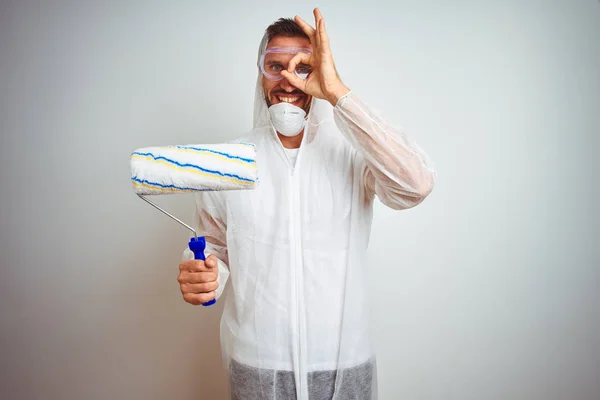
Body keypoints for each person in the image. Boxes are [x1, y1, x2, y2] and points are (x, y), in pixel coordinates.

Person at [178, 8, 435, 400]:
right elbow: (214, 247)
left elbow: (414, 185)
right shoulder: (229, 161)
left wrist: (337, 93)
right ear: (261, 73)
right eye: (275, 65)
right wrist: (204, 274)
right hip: (259, 367)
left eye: (303, 67)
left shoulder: (352, 151)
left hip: (343, 365)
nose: (287, 79)